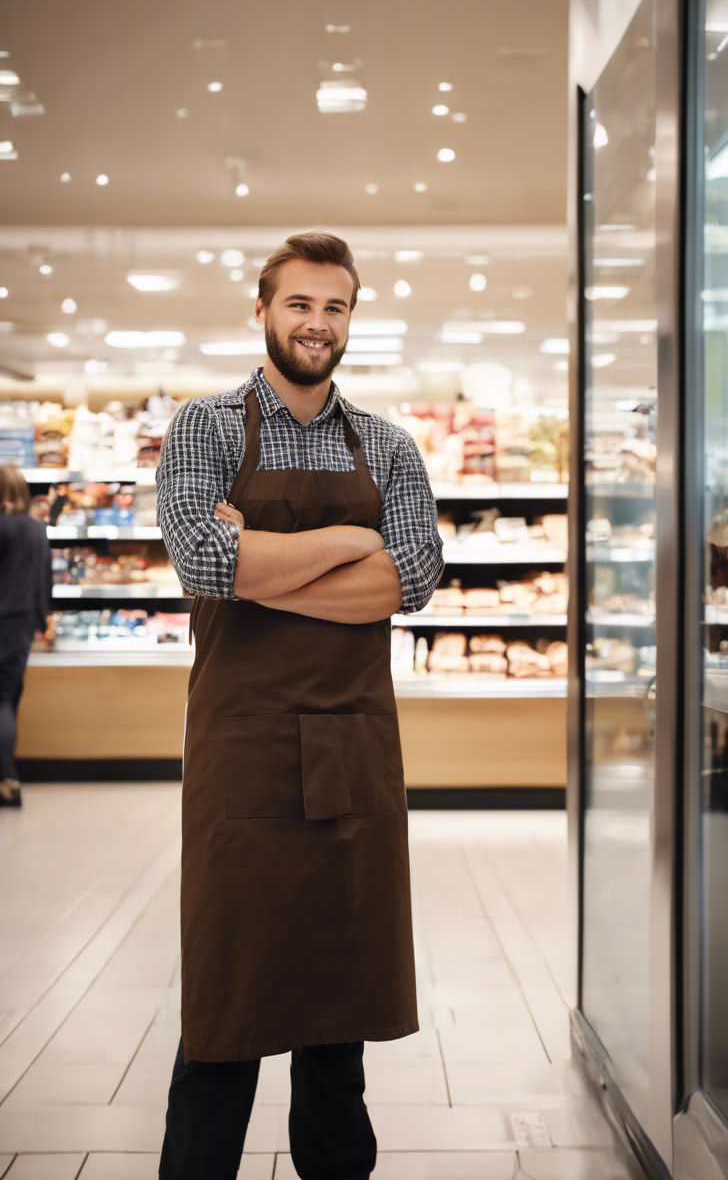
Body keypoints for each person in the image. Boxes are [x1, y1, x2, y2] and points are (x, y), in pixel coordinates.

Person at [155, 230, 444, 1180]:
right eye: (300, 304)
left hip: (354, 756)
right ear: (263, 310)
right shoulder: (205, 427)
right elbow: (201, 561)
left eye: (336, 307)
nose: (317, 324)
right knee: (225, 1021)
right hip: (242, 760)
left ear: (351, 317)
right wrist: (353, 538)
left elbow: (412, 582)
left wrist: (259, 566)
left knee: (338, 1031)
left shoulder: (389, 444)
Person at [0, 465, 53, 807]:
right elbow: (43, 579)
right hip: (19, 624)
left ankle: (7, 778)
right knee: (7, 698)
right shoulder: (35, 528)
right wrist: (43, 620)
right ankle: (8, 777)